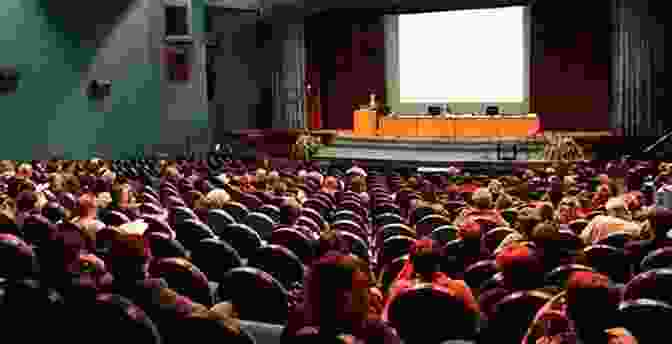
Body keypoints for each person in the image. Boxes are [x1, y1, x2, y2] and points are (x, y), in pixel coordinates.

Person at [282, 252, 401, 344]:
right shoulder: (374, 330)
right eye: (363, 288)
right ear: (348, 297)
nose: (369, 297)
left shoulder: (298, 318)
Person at [382, 239, 479, 322]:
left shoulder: (400, 289)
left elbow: (386, 320)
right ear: (439, 261)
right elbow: (476, 319)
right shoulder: (459, 288)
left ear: (412, 265)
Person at [579, 197, 644, 245]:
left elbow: (583, 239)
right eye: (626, 211)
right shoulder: (633, 226)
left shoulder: (597, 219)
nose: (629, 213)